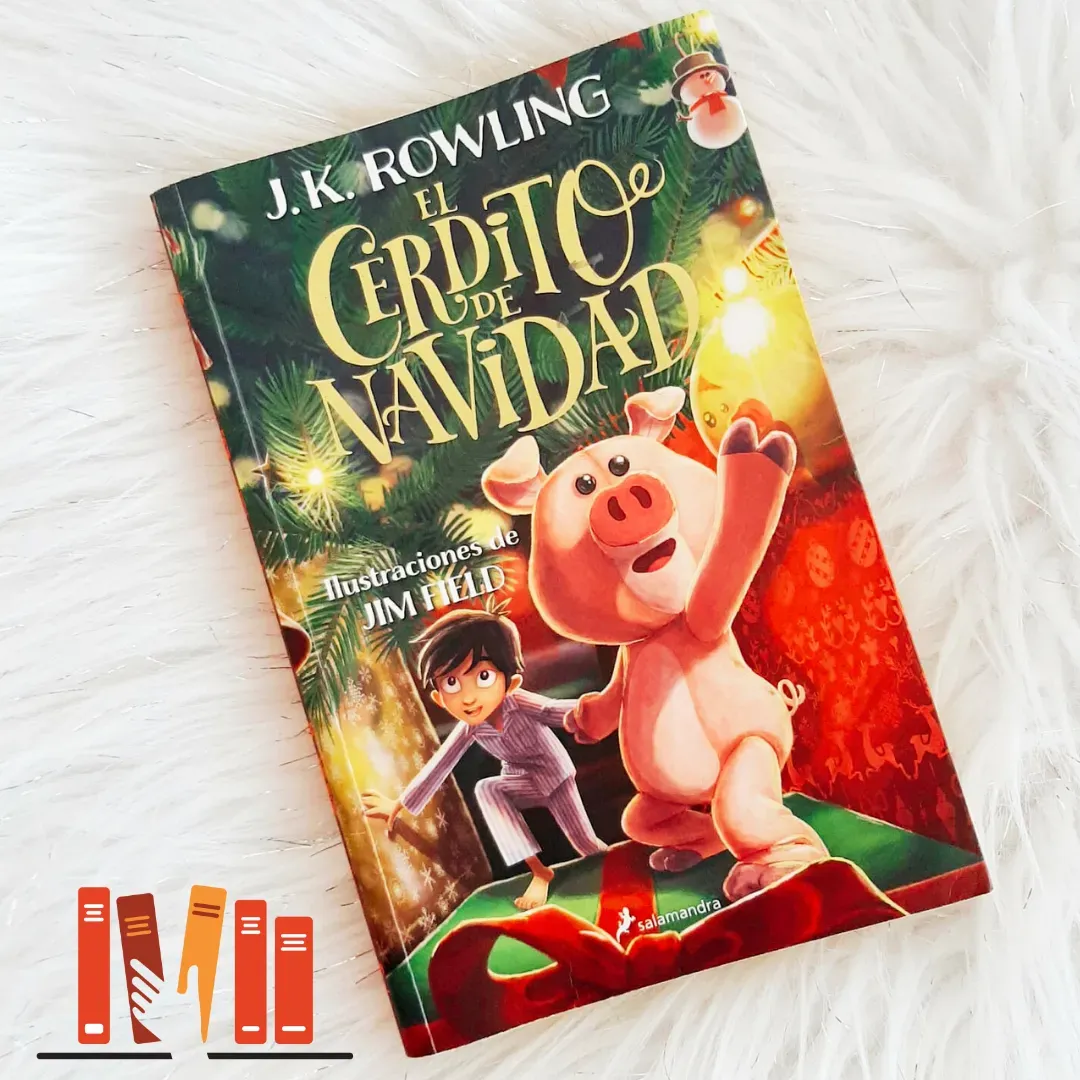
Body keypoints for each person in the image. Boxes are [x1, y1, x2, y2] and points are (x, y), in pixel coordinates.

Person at [360, 608, 607, 910]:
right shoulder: (470, 727)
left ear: (511, 682)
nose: (468, 697)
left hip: (555, 777)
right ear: (439, 697)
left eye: (483, 677)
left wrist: (598, 711)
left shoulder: (520, 701)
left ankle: (619, 871)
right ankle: (539, 872)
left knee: (587, 846)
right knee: (487, 789)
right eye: (451, 683)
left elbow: (552, 710)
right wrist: (398, 806)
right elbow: (439, 765)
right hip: (518, 782)